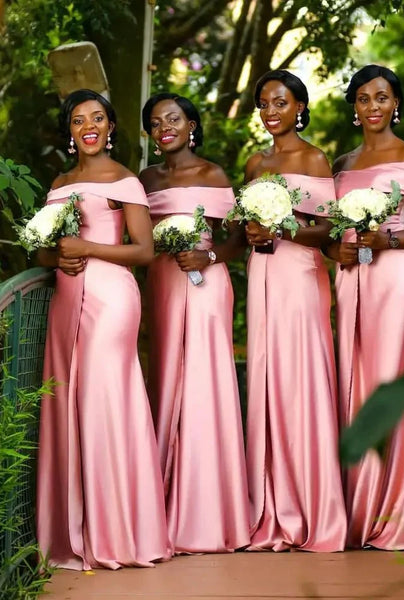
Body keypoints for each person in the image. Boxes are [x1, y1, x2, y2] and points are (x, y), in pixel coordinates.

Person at [36, 89, 170, 570]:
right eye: (77, 120)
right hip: (66, 301)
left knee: (106, 400)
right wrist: (59, 255)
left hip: (112, 299)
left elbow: (144, 251)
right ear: (70, 133)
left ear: (111, 127)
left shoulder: (125, 180)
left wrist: (87, 249)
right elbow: (42, 252)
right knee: (68, 403)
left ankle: (119, 531)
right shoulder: (58, 182)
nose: (88, 126)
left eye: (97, 118)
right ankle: (76, 526)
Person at [330, 64, 404, 550]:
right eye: (363, 98)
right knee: (355, 385)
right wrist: (333, 248)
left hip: (397, 280)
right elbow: (330, 230)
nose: (373, 106)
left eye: (381, 97)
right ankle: (359, 508)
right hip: (352, 279)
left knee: (391, 383)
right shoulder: (341, 164)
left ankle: (403, 511)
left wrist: (391, 237)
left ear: (395, 103)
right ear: (354, 107)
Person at [139, 92, 250, 554]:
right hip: (162, 281)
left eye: (173, 119)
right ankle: (160, 504)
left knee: (205, 383)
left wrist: (207, 254)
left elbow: (238, 238)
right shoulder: (144, 179)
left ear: (191, 124)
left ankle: (210, 511)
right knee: (164, 379)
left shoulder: (214, 174)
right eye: (155, 122)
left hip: (206, 283)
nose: (165, 127)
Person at [243, 70, 347, 552]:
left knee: (303, 377)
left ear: (300, 107)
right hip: (262, 275)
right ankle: (271, 504)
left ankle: (316, 505)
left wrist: (284, 230)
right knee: (267, 378)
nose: (271, 112)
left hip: (302, 277)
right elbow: (245, 226)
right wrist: (255, 234)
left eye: (280, 103)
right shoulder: (253, 163)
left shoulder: (315, 158)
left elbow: (327, 232)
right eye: (264, 103)